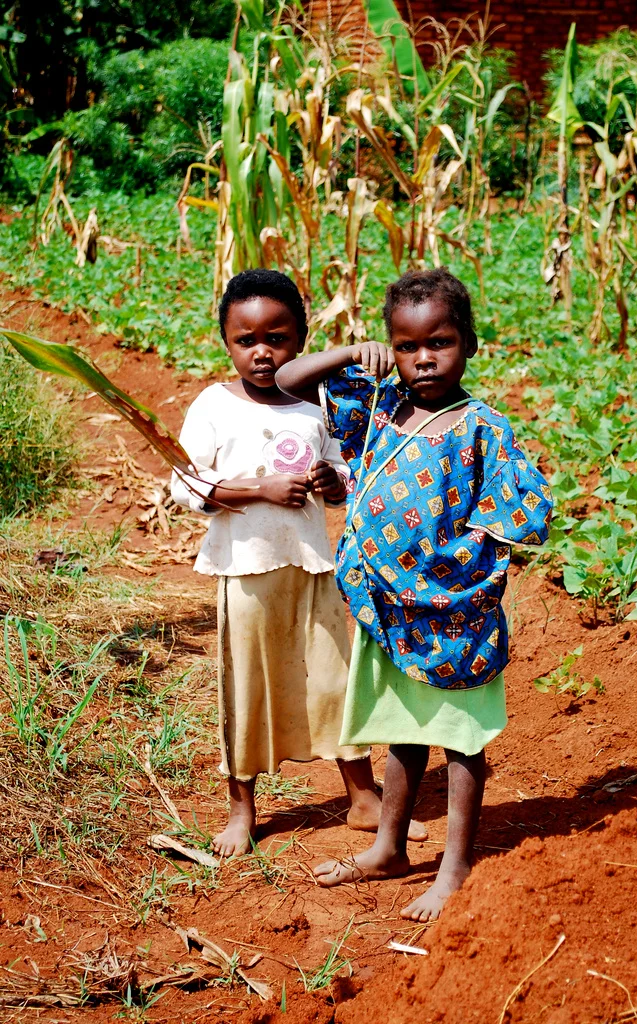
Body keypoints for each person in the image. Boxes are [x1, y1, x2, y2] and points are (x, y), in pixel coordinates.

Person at [276, 268, 553, 921]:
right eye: (405, 346)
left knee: (458, 740)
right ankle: (388, 848)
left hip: (454, 616)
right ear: (388, 348)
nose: (423, 358)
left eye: (440, 342)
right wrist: (349, 353)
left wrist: (459, 570)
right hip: (386, 610)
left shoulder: (480, 426)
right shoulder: (378, 407)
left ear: (469, 343)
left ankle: (454, 866)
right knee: (401, 735)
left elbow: (523, 511)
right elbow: (287, 380)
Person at [171, 269, 427, 858]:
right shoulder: (214, 404)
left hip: (313, 564)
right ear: (226, 342)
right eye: (246, 340)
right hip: (246, 569)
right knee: (247, 686)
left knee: (335, 681)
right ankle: (242, 807)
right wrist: (258, 491)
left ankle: (363, 799)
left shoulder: (312, 405)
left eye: (278, 338)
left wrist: (327, 480)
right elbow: (187, 483)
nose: (262, 352)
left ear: (300, 338)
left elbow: (339, 476)